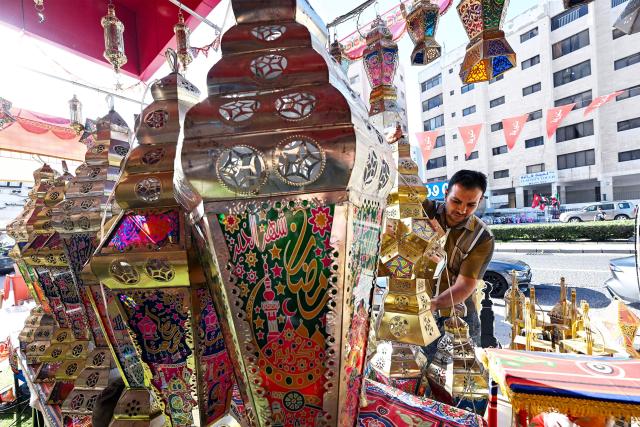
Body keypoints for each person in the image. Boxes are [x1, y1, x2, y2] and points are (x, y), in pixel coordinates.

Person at [422, 170, 495, 349]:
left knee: (460, 374)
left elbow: (465, 285)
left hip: (458, 316)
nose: (462, 210)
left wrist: (434, 304)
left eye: (471, 204)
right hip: (414, 311)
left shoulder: (482, 237)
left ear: (480, 201)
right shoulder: (424, 212)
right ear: (446, 194)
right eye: (456, 201)